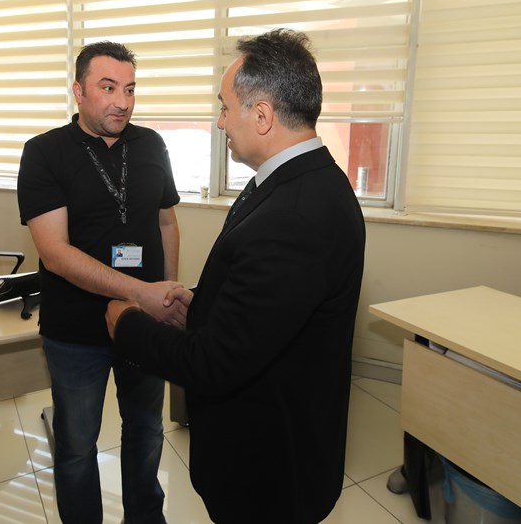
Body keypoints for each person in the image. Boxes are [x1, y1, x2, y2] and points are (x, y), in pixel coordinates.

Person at [106, 28, 366, 524]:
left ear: (262, 115)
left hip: (267, 473)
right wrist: (202, 308)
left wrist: (127, 324)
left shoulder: (293, 215)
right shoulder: (303, 181)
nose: (220, 121)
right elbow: (268, 308)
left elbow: (213, 365)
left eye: (226, 108)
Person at [17, 40, 185, 524]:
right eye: (108, 88)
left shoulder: (151, 144)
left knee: (147, 431)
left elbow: (167, 223)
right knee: (76, 445)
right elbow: (54, 251)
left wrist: (167, 292)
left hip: (144, 321)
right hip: (76, 330)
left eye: (130, 89)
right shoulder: (44, 152)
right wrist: (140, 292)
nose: (123, 102)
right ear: (78, 91)